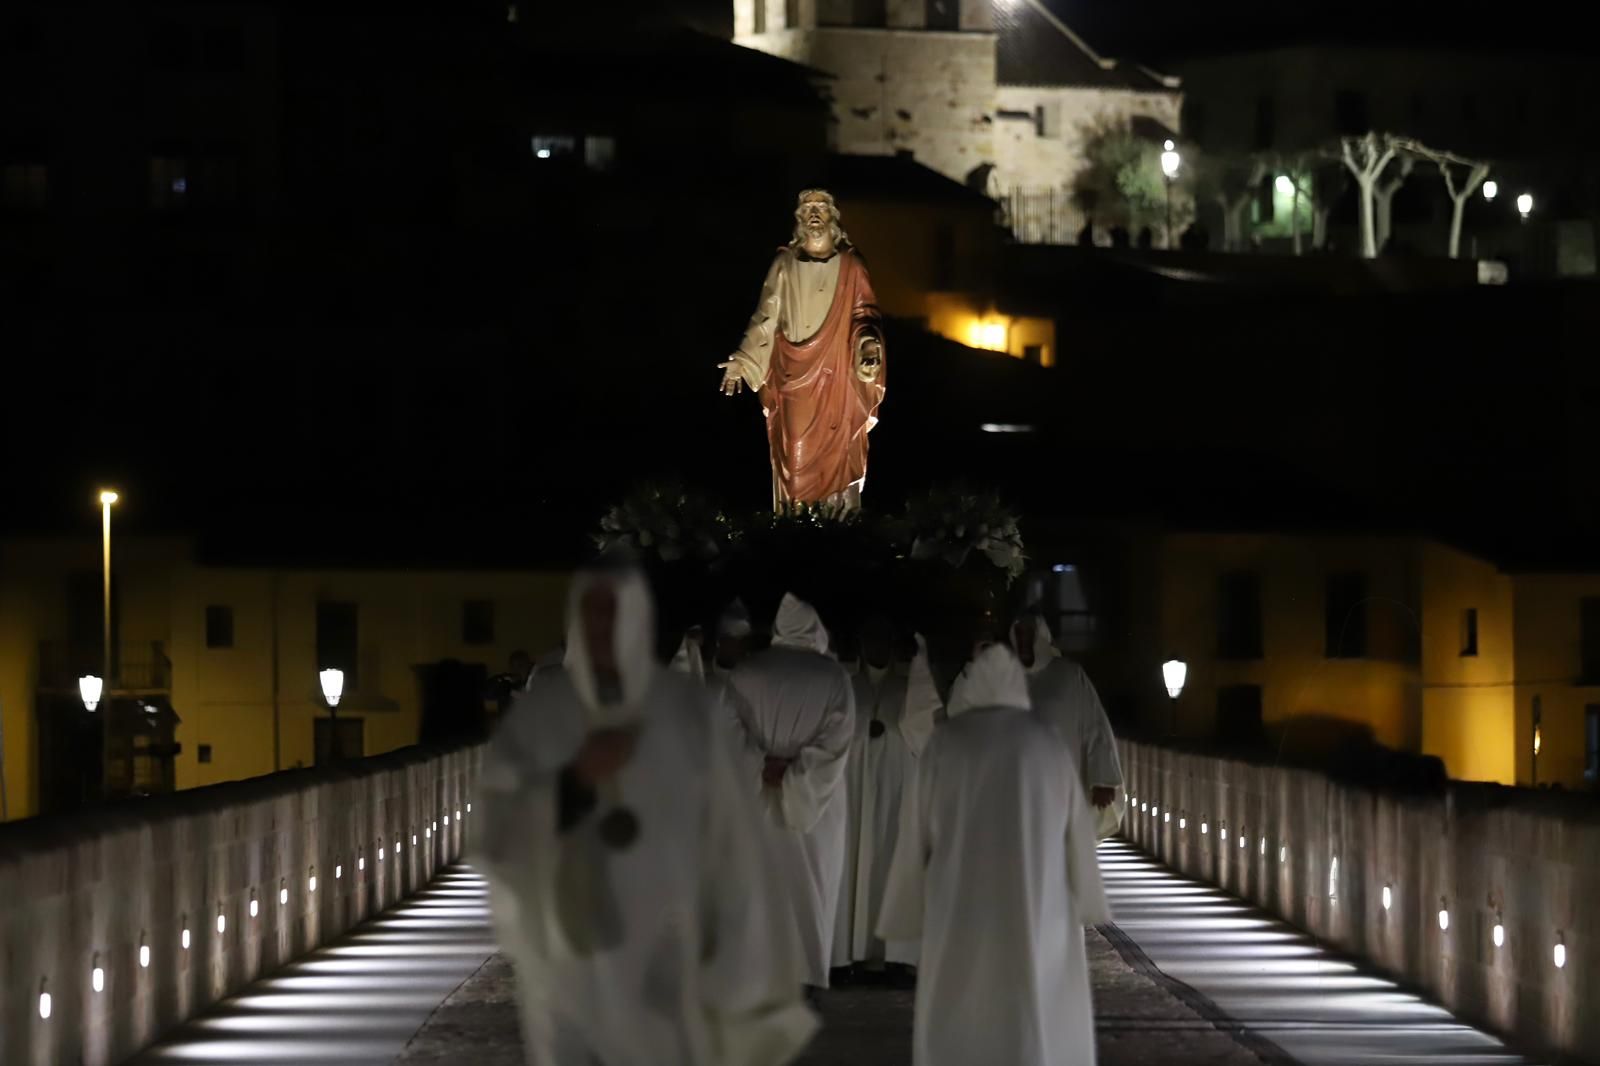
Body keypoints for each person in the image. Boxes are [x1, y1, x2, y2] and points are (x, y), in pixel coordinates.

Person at [474, 561, 817, 1066]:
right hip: (574, 920)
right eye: (593, 617)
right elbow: (501, 821)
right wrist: (575, 782)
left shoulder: (683, 710)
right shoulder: (542, 715)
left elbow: (727, 822)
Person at [878, 644, 1109, 1066]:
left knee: (964, 994)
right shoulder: (1045, 742)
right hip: (1036, 894)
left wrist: (905, 906)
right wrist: (1087, 895)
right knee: (1033, 988)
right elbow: (1075, 829)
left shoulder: (947, 742)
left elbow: (915, 828)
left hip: (962, 897)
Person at [719, 190, 886, 515]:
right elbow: (766, 316)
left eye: (821, 207)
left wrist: (867, 342)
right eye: (808, 208)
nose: (814, 214)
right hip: (794, 377)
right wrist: (743, 359)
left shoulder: (852, 266)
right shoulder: (784, 264)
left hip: (837, 377)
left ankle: (838, 531)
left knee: (840, 453)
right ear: (799, 217)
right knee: (795, 455)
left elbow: (865, 313)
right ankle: (794, 532)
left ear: (833, 216)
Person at [728, 593, 855, 994]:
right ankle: (805, 977)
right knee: (811, 885)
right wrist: (798, 778)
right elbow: (836, 743)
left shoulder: (746, 673)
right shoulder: (834, 677)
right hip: (816, 805)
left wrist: (759, 766)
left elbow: (726, 731)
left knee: (757, 883)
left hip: (756, 801)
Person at [833, 616, 918, 979]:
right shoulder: (848, 687)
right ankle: (852, 955)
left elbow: (921, 735)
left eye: (882, 640)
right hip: (855, 793)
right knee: (855, 866)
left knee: (892, 866)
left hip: (897, 793)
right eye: (870, 640)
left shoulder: (908, 688)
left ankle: (894, 956)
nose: (876, 648)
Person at [1012, 613, 1126, 840]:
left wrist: (1102, 778)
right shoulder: (1007, 679)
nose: (1023, 642)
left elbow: (1094, 726)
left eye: (1028, 635)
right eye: (1019, 635)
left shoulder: (1069, 676)